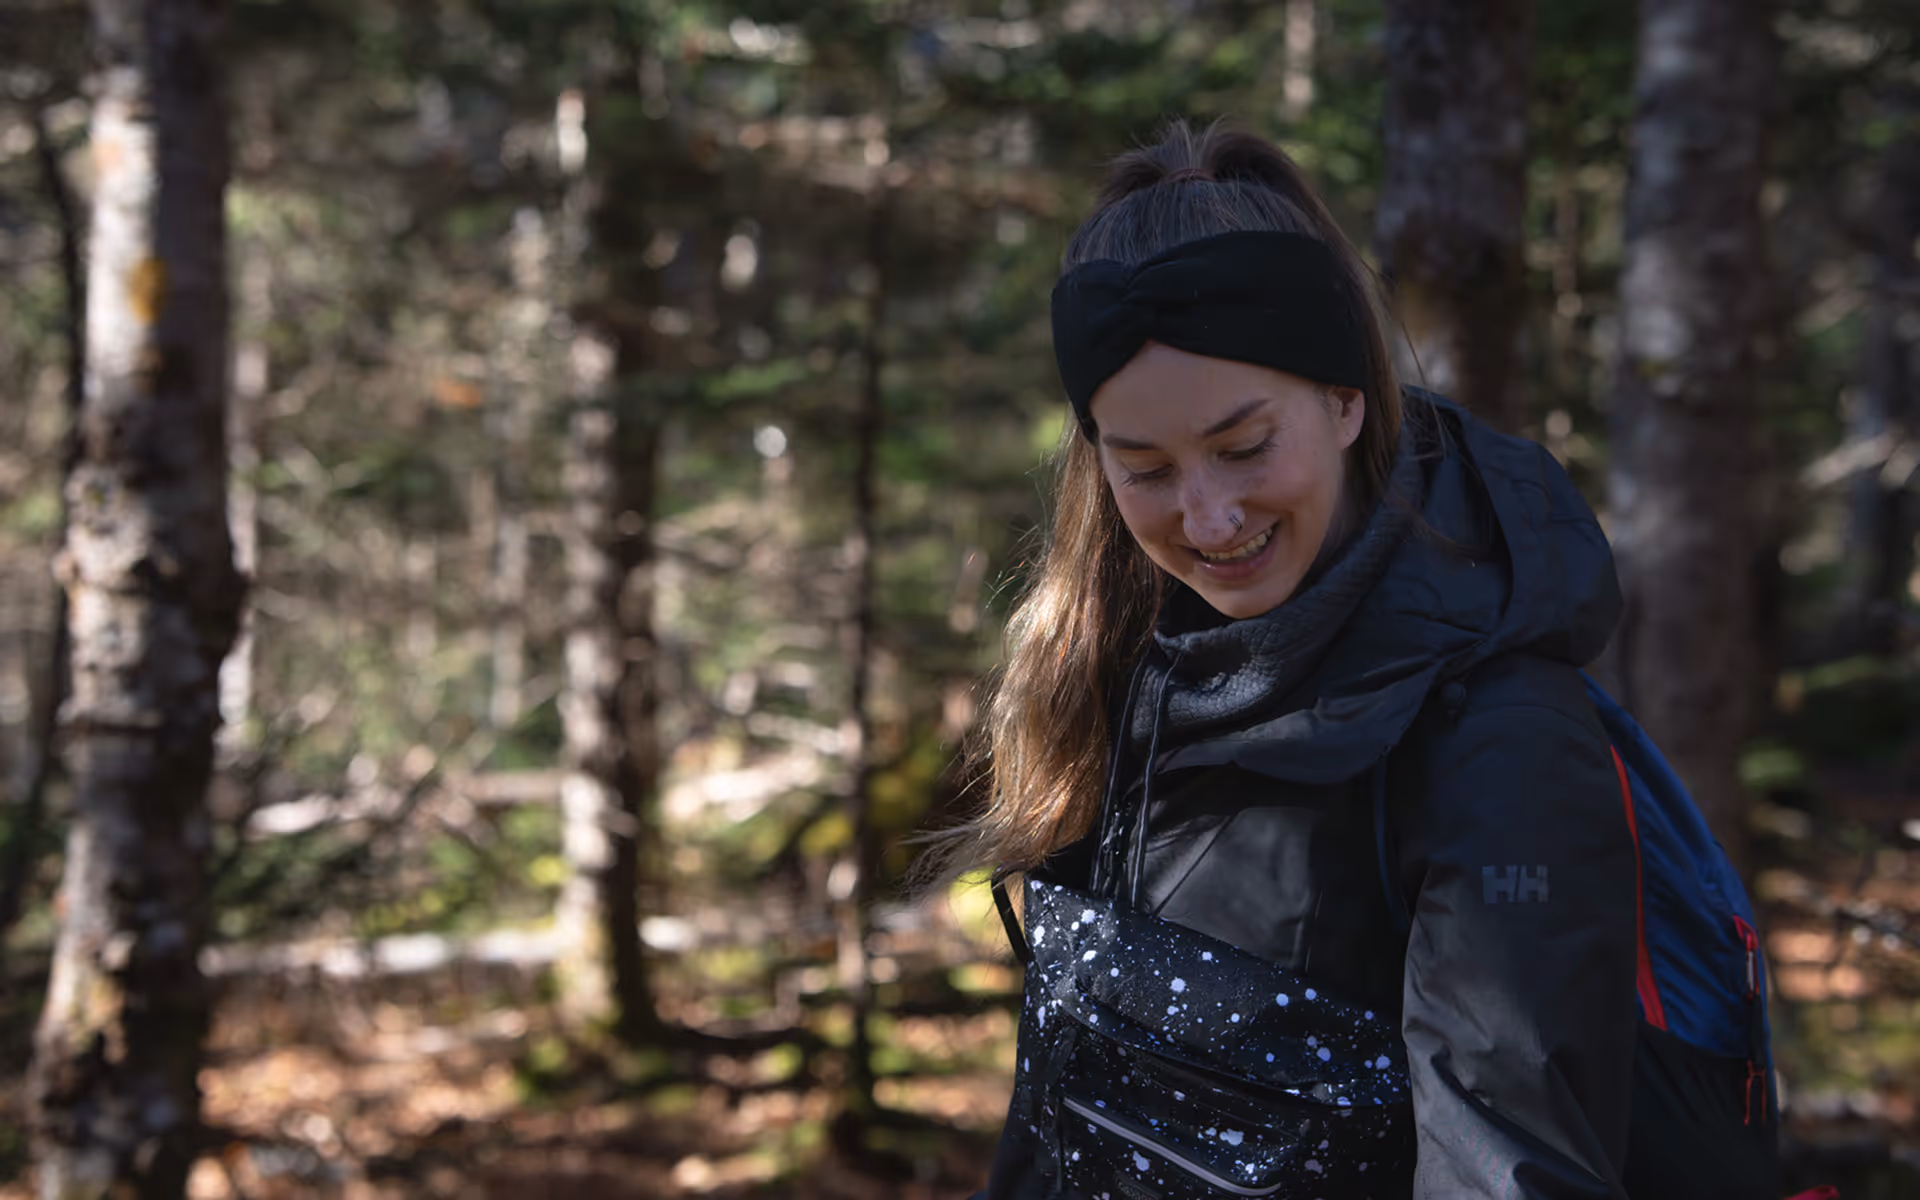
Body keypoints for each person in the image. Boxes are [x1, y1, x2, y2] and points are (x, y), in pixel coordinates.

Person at [945, 119, 1653, 1198]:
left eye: (1244, 446)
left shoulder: (1497, 738)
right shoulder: (1124, 672)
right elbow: (1061, 1111)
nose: (1209, 515)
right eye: (1145, 467)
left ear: (1344, 398)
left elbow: (1512, 1167)